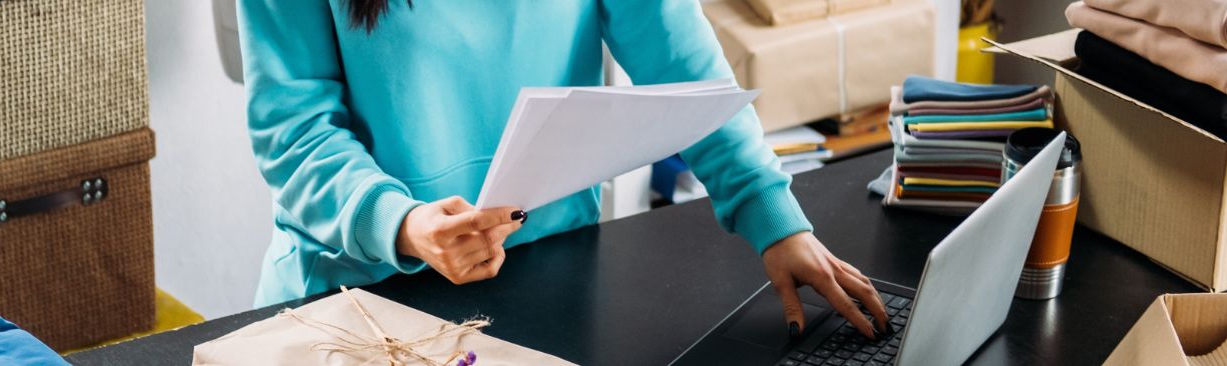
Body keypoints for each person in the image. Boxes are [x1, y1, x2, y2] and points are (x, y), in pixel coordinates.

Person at [239, 0, 893, 338]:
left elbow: (684, 70)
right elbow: (293, 129)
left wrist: (775, 223)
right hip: (358, 296)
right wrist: (404, 225)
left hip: (548, 280)